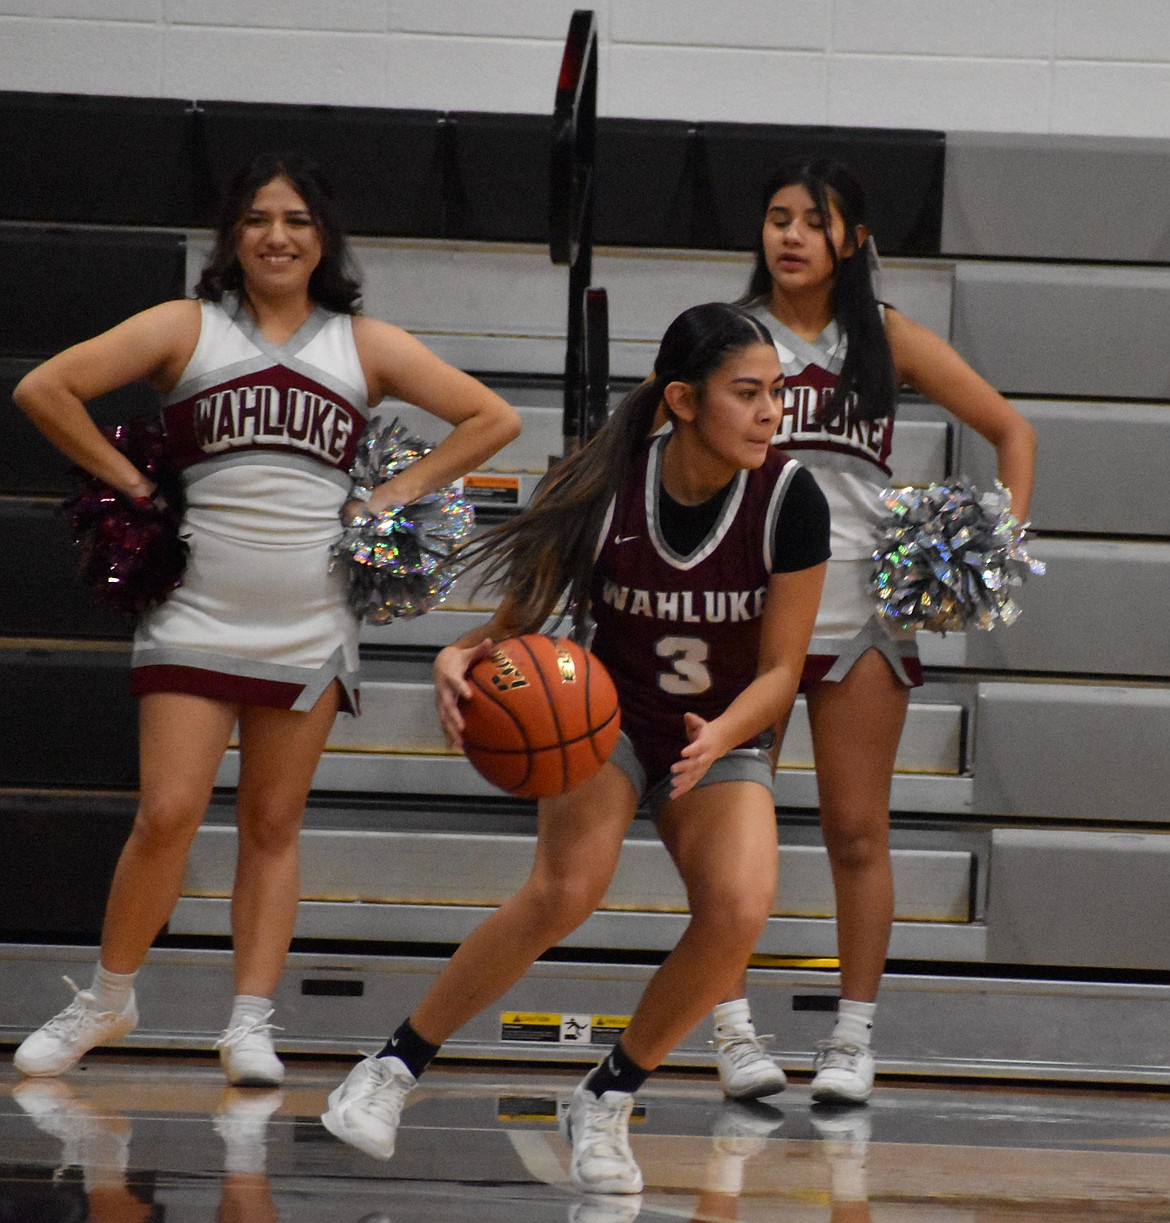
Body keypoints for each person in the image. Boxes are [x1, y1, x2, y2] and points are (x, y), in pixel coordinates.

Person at [11, 153, 520, 1086]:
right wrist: (131, 482)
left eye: (295, 219)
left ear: (323, 237)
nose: (276, 236)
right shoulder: (186, 327)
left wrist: (397, 491)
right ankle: (107, 997)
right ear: (231, 237)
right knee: (165, 814)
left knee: (273, 822)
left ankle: (250, 1020)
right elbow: (44, 388)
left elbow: (491, 418)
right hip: (195, 612)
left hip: (310, 624)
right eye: (256, 220)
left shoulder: (362, 345)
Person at [318, 301, 829, 1197]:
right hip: (610, 719)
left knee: (741, 908)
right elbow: (514, 625)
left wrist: (726, 734)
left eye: (774, 395)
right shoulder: (603, 488)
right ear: (681, 398)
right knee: (565, 889)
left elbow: (784, 668)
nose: (768, 413)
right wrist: (459, 652)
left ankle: (606, 1096)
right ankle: (390, 1069)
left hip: (725, 728)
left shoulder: (791, 498)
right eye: (746, 394)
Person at [706, 157, 1037, 1106]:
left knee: (858, 832)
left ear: (851, 238)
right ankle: (730, 1029)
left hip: (861, 616)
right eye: (776, 217)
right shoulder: (724, 340)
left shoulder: (884, 338)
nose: (792, 236)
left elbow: (1013, 430)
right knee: (727, 832)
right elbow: (653, 436)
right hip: (746, 613)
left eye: (814, 220)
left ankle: (852, 1036)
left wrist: (989, 552)